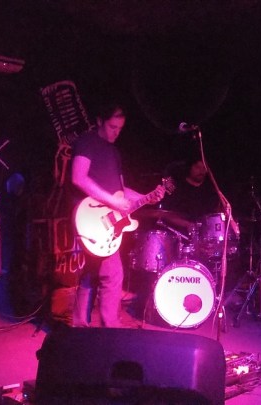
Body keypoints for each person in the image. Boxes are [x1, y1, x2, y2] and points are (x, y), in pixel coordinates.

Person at [70, 103, 165, 328]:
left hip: (106, 220)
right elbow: (78, 177)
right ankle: (111, 328)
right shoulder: (87, 141)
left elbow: (121, 191)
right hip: (90, 216)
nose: (116, 133)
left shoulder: (114, 152)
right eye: (112, 127)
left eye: (120, 128)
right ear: (99, 121)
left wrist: (146, 196)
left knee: (92, 272)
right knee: (112, 275)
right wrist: (112, 202)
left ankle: (80, 327)